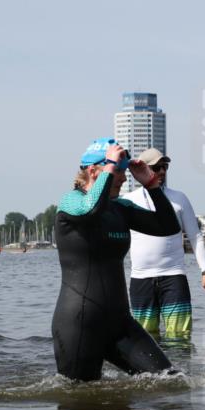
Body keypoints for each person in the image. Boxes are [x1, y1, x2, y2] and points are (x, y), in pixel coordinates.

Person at [52, 137, 181, 381]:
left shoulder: (119, 208)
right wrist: (111, 167)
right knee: (80, 396)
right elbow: (91, 209)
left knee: (172, 380)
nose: (123, 178)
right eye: (119, 172)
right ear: (94, 171)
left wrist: (152, 186)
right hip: (80, 323)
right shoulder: (71, 202)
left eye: (123, 171)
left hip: (120, 324)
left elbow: (168, 226)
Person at [122, 148, 205, 338]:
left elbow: (195, 237)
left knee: (180, 337)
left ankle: (180, 360)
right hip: (140, 279)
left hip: (173, 276)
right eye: (156, 167)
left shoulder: (179, 199)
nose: (162, 171)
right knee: (144, 339)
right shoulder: (128, 200)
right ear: (143, 170)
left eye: (164, 167)